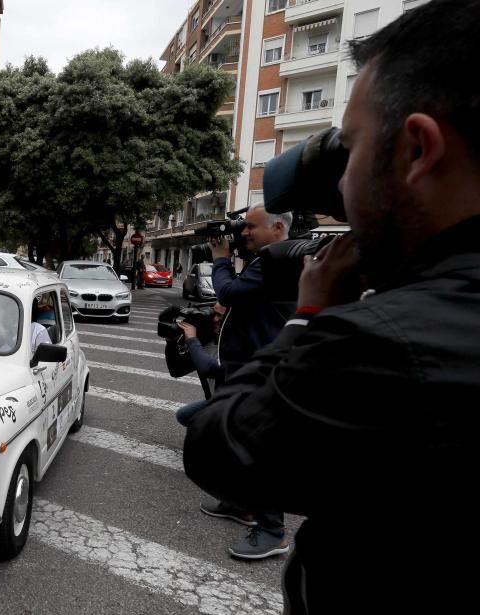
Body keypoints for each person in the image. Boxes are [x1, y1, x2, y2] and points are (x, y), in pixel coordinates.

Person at [185, 2, 480, 612]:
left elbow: (222, 451)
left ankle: (265, 527)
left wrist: (310, 313)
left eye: (352, 149)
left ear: (418, 149)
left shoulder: (385, 342)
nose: (341, 189)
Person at [191, 203, 294, 560]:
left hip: (260, 366)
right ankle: (242, 504)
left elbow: (228, 293)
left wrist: (220, 258)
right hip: (248, 363)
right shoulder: (270, 259)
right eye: (243, 227)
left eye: (251, 227)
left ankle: (272, 529)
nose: (244, 233)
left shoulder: (275, 260)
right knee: (237, 438)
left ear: (278, 228)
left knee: (258, 445)